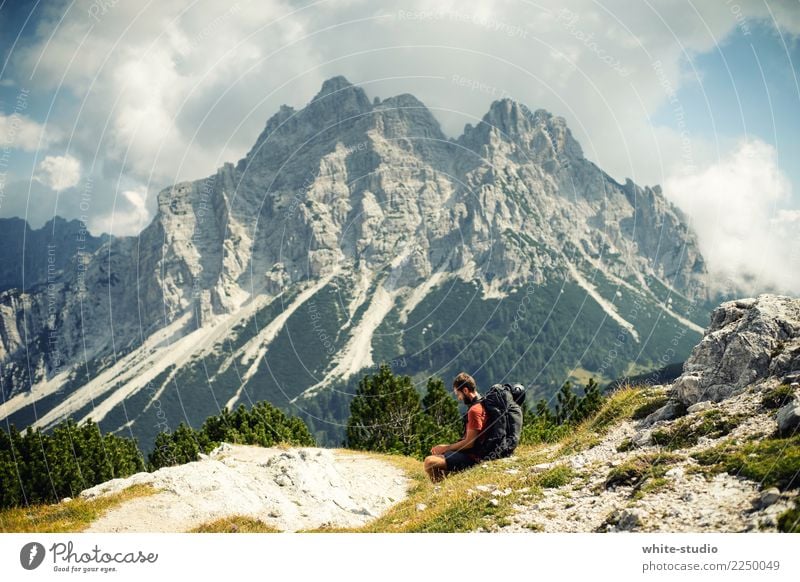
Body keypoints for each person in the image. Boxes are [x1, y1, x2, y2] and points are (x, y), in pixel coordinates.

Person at [423, 372, 486, 483]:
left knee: (429, 462)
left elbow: (469, 443)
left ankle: (440, 490)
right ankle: (445, 484)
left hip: (474, 457)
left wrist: (446, 448)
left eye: (458, 394)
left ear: (465, 390)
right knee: (441, 458)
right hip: (476, 453)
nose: (459, 398)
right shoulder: (482, 403)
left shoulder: (474, 410)